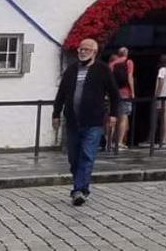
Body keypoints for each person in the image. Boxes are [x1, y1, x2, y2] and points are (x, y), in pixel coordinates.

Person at [52, 38, 121, 206]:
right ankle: (81, 186)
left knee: (87, 156)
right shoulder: (71, 70)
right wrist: (55, 114)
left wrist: (113, 114)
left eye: (87, 49)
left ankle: (79, 190)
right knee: (73, 158)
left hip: (93, 121)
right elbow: (61, 93)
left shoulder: (102, 70)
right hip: (73, 121)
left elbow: (114, 94)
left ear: (94, 52)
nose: (82, 52)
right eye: (81, 49)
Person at [106, 47, 134, 152]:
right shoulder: (129, 62)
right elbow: (130, 77)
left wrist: (108, 93)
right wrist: (133, 92)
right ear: (126, 53)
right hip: (125, 92)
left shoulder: (111, 64)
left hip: (113, 93)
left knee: (112, 117)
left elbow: (108, 80)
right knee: (123, 117)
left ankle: (108, 143)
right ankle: (119, 142)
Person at [154, 54, 166, 148]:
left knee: (158, 118)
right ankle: (164, 139)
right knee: (164, 119)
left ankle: (161, 139)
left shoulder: (162, 70)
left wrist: (157, 95)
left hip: (161, 96)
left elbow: (160, 82)